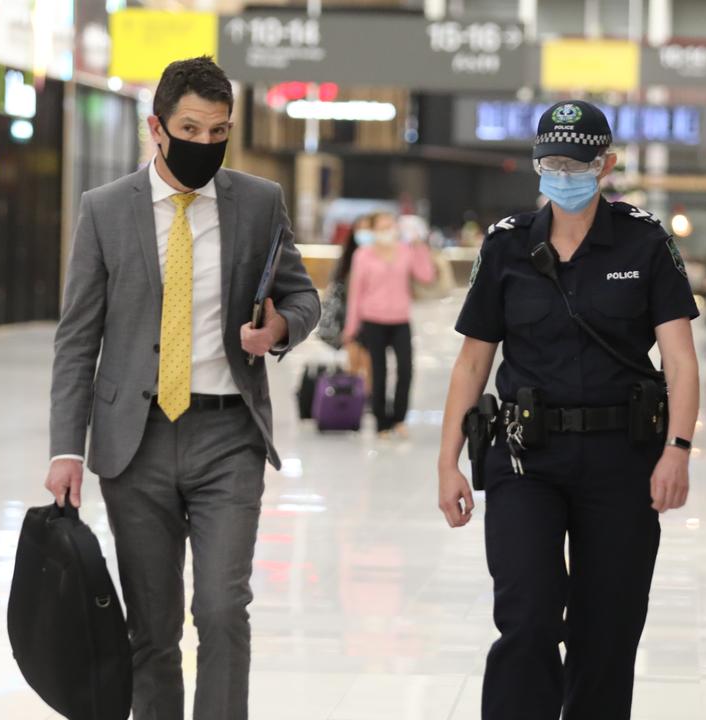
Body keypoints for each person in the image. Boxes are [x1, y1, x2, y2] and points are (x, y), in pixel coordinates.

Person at [44, 56, 320, 720]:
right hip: (133, 445)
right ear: (157, 128)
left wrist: (278, 328)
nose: (203, 144)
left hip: (229, 435)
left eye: (217, 131)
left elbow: (304, 298)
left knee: (223, 608)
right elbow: (78, 338)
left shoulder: (258, 203)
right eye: (189, 129)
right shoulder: (105, 211)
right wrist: (65, 449)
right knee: (153, 629)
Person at [436, 100, 701, 719]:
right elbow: (473, 362)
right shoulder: (506, 247)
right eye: (551, 161)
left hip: (622, 459)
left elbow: (681, 361)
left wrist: (678, 451)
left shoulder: (645, 240)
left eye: (577, 162)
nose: (564, 173)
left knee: (605, 633)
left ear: (604, 164)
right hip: (527, 458)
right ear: (535, 165)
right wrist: (447, 462)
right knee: (526, 620)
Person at [343, 210, 436, 438]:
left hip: (400, 320)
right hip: (372, 320)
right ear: (373, 231)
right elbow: (356, 293)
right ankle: (381, 423)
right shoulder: (363, 255)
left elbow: (426, 276)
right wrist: (351, 327)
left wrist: (419, 246)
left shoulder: (406, 251)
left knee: (406, 369)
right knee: (378, 371)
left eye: (390, 226)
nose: (387, 231)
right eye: (382, 227)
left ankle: (399, 418)